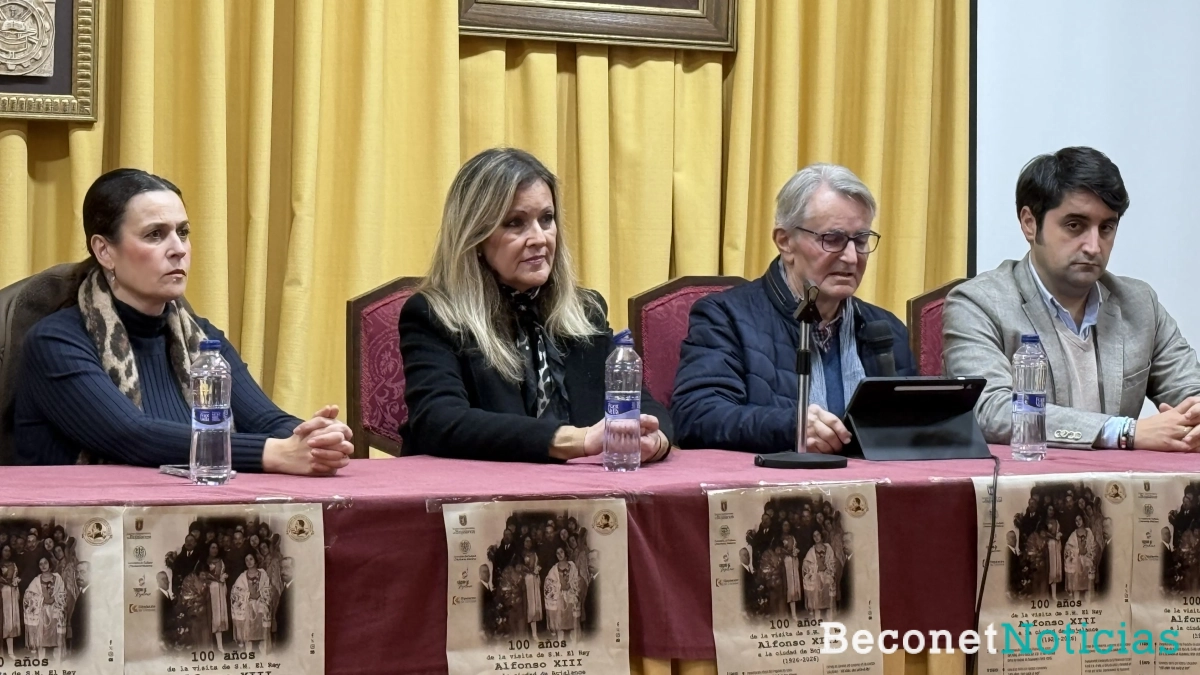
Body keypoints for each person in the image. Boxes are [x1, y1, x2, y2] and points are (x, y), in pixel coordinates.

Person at [13, 168, 355, 473]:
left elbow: (264, 418)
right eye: (155, 235)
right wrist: (273, 453)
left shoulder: (203, 338)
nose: (178, 248)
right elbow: (131, 434)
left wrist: (313, 438)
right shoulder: (56, 342)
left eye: (184, 232)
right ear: (105, 251)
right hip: (84, 533)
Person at [399, 149, 673, 463]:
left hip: (585, 496)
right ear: (474, 238)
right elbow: (439, 422)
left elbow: (643, 405)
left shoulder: (585, 310)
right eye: (515, 223)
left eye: (546, 219)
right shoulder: (435, 314)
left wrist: (655, 439)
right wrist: (578, 440)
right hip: (479, 497)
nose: (539, 238)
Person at [943, 147, 1200, 451]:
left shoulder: (1139, 303)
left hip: (1127, 490)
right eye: (1075, 225)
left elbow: (1189, 390)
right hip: (1026, 488)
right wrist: (1123, 431)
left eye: (1106, 228)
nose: (1094, 246)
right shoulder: (978, 303)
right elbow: (991, 410)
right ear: (1029, 223)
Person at [672, 163, 914, 454]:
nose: (851, 257)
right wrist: (791, 426)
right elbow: (697, 417)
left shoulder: (883, 329)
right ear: (785, 242)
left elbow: (915, 426)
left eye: (860, 240)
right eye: (832, 239)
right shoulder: (726, 317)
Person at [23, 556, 65, 661]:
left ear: (50, 564)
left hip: (55, 611)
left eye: (45, 562)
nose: (43, 565)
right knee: (41, 638)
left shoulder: (58, 578)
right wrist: (42, 600)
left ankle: (57, 661)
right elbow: (27, 595)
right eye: (40, 564)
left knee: (57, 637)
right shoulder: (36, 580)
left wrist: (55, 599)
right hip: (41, 612)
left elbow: (63, 593)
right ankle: (41, 660)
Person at [231, 552, 270, 651]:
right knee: (248, 633)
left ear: (255, 560)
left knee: (263, 632)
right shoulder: (242, 577)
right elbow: (235, 592)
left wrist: (260, 594)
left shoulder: (263, 574)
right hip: (247, 607)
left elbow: (268, 588)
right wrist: (248, 595)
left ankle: (264, 653)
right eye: (246, 560)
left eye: (251, 559)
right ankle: (248, 653)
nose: (249, 562)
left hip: (261, 607)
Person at [543, 547, 580, 642]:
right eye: (557, 553)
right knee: (560, 622)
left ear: (565, 553)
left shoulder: (572, 566)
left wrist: (571, 585)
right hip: (559, 598)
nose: (559, 554)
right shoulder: (553, 570)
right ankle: (560, 641)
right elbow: (548, 583)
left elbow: (576, 579)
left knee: (570, 621)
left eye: (561, 552)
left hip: (570, 597)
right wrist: (559, 586)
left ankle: (570, 640)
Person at [202, 557, 229, 652]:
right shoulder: (205, 575)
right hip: (208, 599)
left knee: (218, 620)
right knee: (209, 620)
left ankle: (220, 646)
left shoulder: (220, 570)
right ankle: (209, 646)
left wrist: (221, 581)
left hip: (218, 598)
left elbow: (223, 589)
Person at [0, 545, 20, 658]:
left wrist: (16, 580)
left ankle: (10, 652)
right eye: (5, 550)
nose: (7, 553)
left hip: (11, 594)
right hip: (1, 593)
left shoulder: (13, 564)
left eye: (9, 550)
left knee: (10, 622)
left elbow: (14, 578)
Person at [71, 561, 89, 653]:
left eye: (83, 572)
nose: (78, 576)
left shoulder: (92, 595)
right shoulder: (83, 592)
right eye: (76, 572)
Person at [1046, 519, 1063, 601]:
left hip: (1055, 549)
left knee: (1054, 570)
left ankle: (1054, 595)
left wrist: (1058, 538)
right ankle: (1046, 593)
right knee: (1049, 570)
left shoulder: (1057, 521)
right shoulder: (1044, 521)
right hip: (1048, 550)